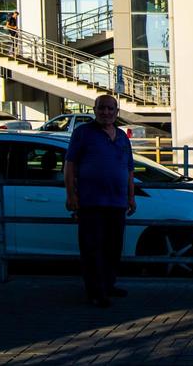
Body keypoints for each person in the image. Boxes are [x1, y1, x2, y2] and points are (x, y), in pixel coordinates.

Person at [64, 93, 135, 308]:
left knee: (113, 248)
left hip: (116, 202)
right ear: (94, 110)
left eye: (110, 109)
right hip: (91, 202)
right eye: (101, 108)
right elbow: (70, 165)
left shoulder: (122, 137)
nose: (106, 112)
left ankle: (109, 284)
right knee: (92, 248)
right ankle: (95, 292)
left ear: (117, 112)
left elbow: (129, 169)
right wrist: (71, 195)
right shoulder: (82, 133)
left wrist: (131, 197)